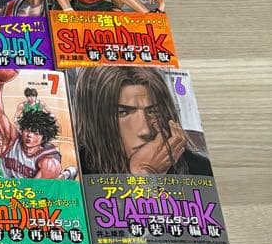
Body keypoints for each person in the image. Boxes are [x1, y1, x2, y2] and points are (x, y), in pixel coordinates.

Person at [71, 66, 212, 175]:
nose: (145, 130)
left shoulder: (200, 168)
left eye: (153, 111)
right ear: (94, 121)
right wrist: (145, 173)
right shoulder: (73, 169)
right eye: (123, 112)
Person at [0, 75, 63, 179]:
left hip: (27, 188)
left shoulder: (49, 162)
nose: (29, 135)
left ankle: (67, 174)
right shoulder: (12, 139)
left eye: (35, 133)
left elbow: (35, 189)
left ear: (44, 137)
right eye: (27, 130)